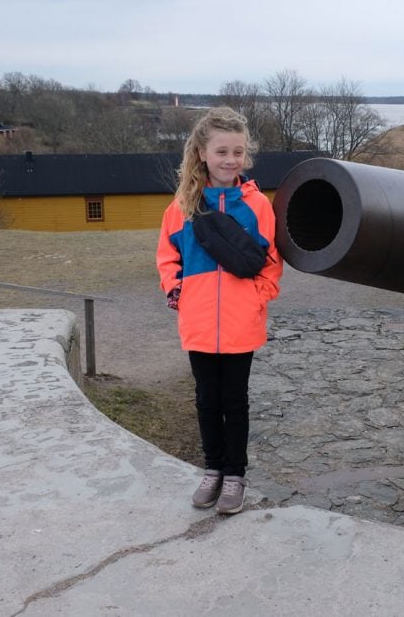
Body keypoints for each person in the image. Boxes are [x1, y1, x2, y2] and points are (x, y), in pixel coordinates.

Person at [156, 107, 282, 514]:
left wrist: (256, 297)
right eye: (222, 151)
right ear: (202, 154)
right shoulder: (181, 207)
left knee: (235, 401)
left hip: (240, 323)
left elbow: (272, 260)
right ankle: (212, 470)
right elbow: (167, 257)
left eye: (238, 152)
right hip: (197, 321)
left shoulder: (258, 205)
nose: (231, 160)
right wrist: (178, 293)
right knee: (206, 399)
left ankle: (235, 475)